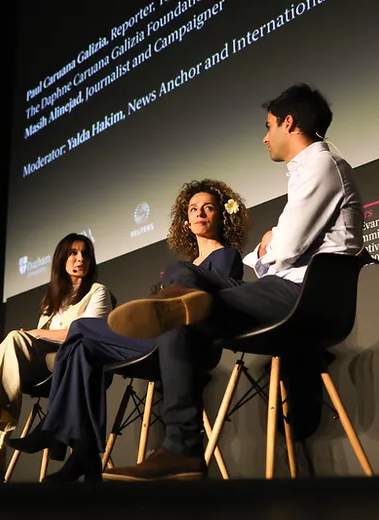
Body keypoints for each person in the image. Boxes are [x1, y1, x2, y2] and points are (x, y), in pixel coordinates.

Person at [102, 83, 365, 481]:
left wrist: (266, 247)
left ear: (289, 123)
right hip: (280, 290)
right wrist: (268, 247)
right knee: (183, 275)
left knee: (181, 301)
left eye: (269, 126)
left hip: (301, 297)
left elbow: (286, 247)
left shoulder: (320, 166)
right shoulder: (310, 171)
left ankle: (182, 449)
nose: (265, 136)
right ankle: (179, 301)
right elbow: (278, 250)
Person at [6, 179, 250, 482]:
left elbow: (210, 310)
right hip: (160, 340)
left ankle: (54, 428)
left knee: (80, 326)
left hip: (186, 344)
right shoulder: (185, 265)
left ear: (221, 216)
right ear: (185, 222)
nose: (200, 213)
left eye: (208, 208)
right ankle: (84, 453)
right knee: (81, 348)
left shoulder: (226, 256)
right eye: (193, 209)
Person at [0, 233, 113, 482]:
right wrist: (37, 336)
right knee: (14, 340)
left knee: (22, 338)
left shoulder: (97, 292)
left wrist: (40, 332)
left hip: (76, 362)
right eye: (73, 253)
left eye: (85, 254)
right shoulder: (53, 301)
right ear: (61, 259)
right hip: (48, 366)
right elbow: (40, 343)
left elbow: (87, 333)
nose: (80, 259)